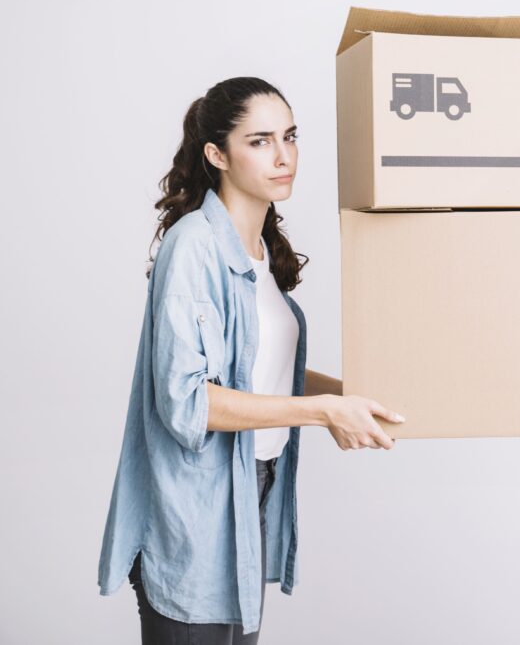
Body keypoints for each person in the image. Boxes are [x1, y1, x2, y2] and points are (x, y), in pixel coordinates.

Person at [98, 77, 404, 644]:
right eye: (259, 141)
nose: (284, 155)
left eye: (290, 136)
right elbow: (188, 401)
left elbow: (263, 372)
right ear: (217, 154)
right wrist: (323, 412)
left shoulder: (260, 252)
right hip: (193, 505)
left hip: (251, 490)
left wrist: (352, 395)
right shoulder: (194, 246)